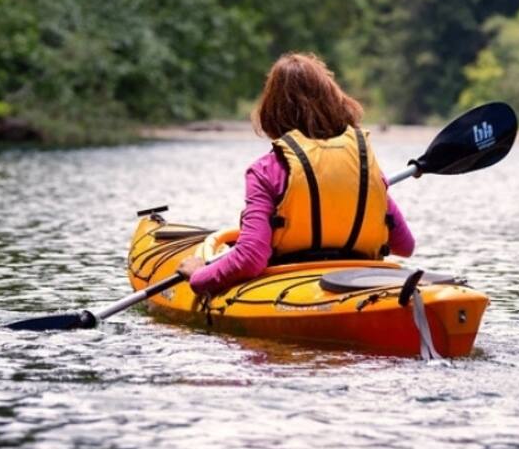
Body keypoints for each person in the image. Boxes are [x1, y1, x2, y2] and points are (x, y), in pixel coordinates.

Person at [176, 52, 415, 297]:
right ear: (335, 101)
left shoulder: (267, 170)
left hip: (290, 285)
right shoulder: (364, 166)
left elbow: (250, 258)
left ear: (272, 111)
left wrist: (198, 275)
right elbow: (404, 246)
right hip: (362, 280)